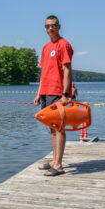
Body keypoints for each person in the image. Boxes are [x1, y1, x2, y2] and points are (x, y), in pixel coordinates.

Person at [34, 15, 73, 176]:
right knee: (51, 129)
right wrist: (39, 93)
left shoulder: (64, 45)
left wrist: (65, 94)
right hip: (46, 93)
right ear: (45, 28)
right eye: (48, 26)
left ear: (59, 26)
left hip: (58, 93)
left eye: (54, 25)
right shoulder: (45, 47)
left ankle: (58, 165)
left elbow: (67, 70)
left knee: (59, 128)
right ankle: (54, 160)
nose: (51, 29)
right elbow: (44, 72)